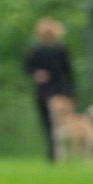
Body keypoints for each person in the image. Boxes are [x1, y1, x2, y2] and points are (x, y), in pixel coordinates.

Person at [24, 18, 75, 161]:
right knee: (48, 123)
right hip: (44, 91)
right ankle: (54, 153)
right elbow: (27, 67)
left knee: (61, 124)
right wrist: (36, 74)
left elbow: (68, 72)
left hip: (59, 90)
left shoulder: (61, 49)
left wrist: (71, 93)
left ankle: (62, 153)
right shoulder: (36, 50)